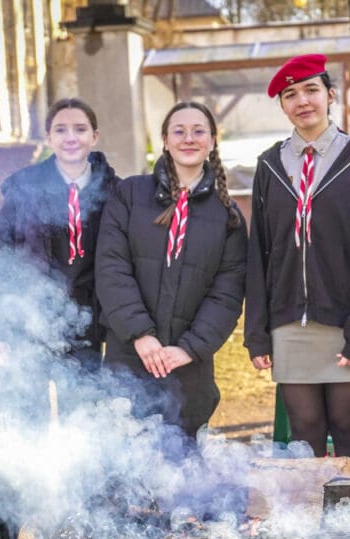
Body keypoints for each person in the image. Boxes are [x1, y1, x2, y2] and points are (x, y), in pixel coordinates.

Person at [244, 54, 350, 481]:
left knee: (348, 428)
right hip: (289, 322)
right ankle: (310, 517)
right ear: (282, 105)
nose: (302, 101)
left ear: (330, 95)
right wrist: (257, 333)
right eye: (290, 94)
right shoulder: (270, 165)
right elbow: (259, 252)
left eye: (311, 90)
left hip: (348, 320)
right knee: (304, 431)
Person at [95, 101, 247, 440]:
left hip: (188, 368)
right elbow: (111, 267)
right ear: (164, 140)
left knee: (181, 462)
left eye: (198, 131)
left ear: (212, 140)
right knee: (124, 455)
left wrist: (189, 348)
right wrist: (140, 334)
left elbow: (227, 293)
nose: (188, 138)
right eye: (179, 131)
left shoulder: (227, 215)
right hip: (129, 355)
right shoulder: (129, 194)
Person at [0, 97, 117, 434]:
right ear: (49, 138)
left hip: (86, 327)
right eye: (61, 130)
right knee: (26, 426)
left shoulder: (115, 192)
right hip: (28, 326)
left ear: (94, 136)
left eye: (80, 129)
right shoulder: (24, 189)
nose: (71, 137)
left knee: (83, 425)